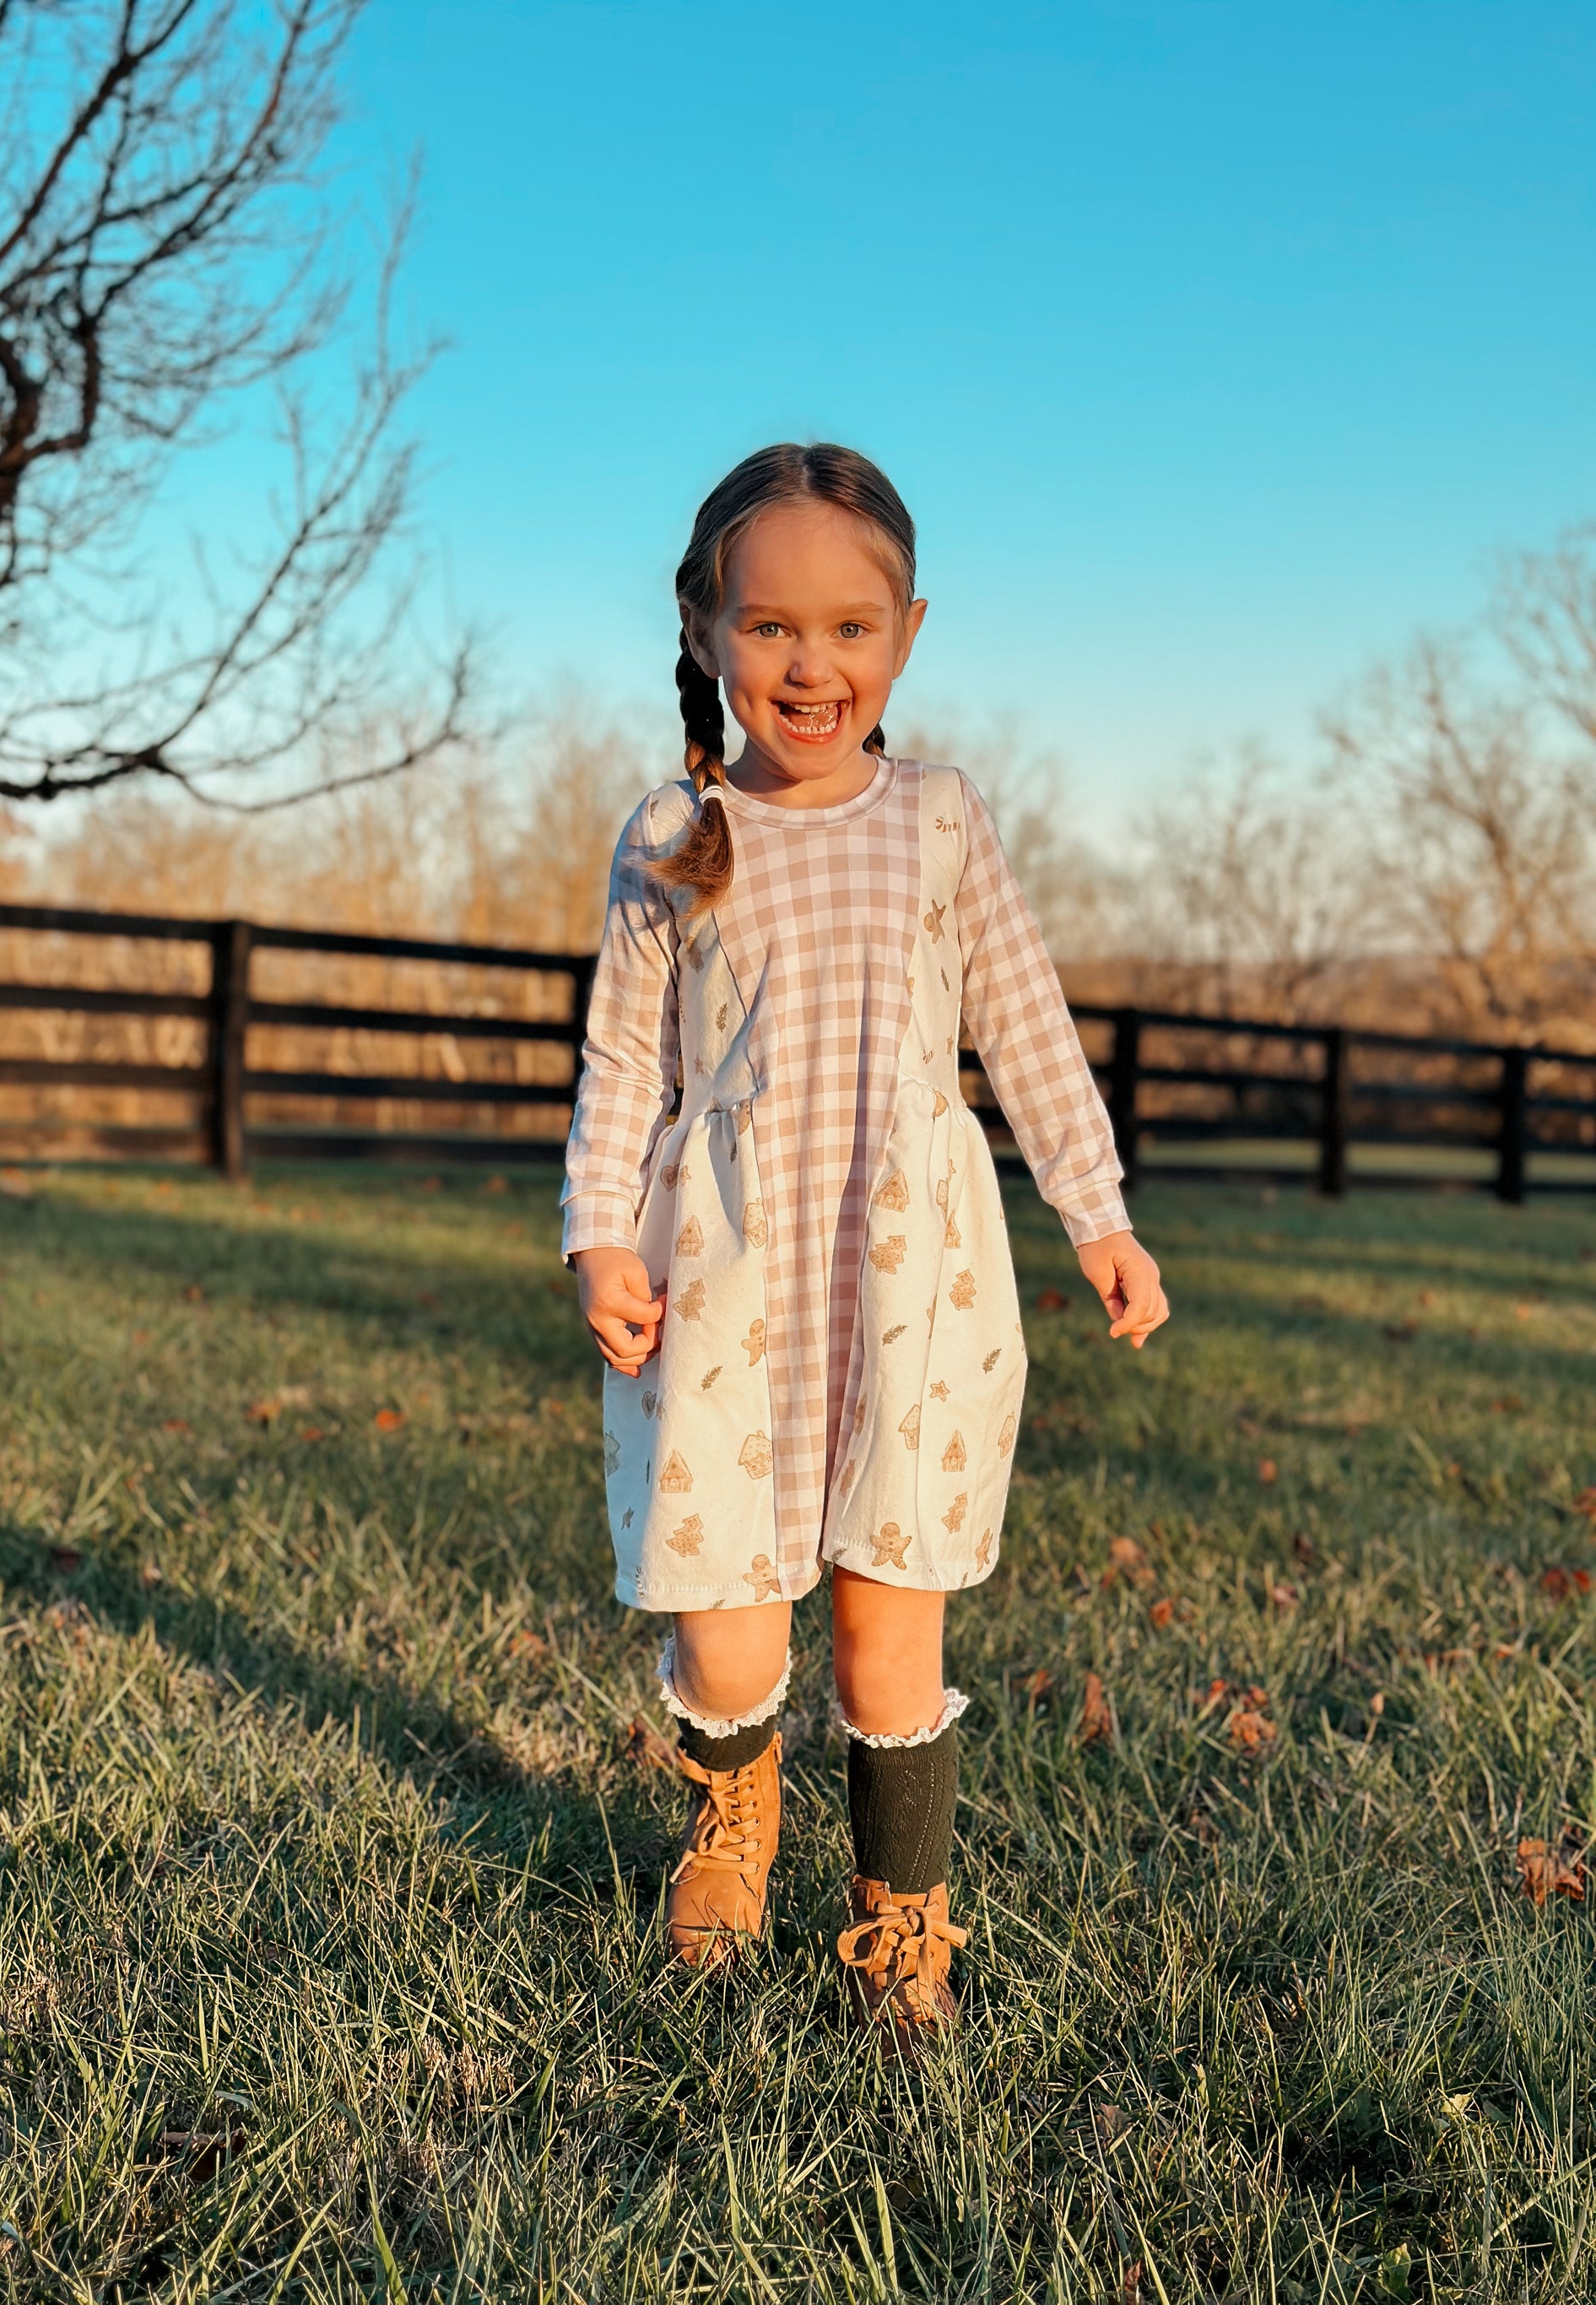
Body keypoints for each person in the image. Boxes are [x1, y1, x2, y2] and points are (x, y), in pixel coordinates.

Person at [563, 442, 1168, 2056]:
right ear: (703, 629)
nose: (809, 665)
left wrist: (1095, 1213)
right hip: (729, 1271)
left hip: (915, 1274)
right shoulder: (668, 836)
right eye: (770, 629)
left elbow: (1026, 1028)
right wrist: (597, 1243)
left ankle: (903, 1916)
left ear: (906, 633)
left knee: (887, 1618)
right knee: (729, 1615)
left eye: (849, 629)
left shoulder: (941, 821)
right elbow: (627, 1067)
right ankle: (734, 1823)